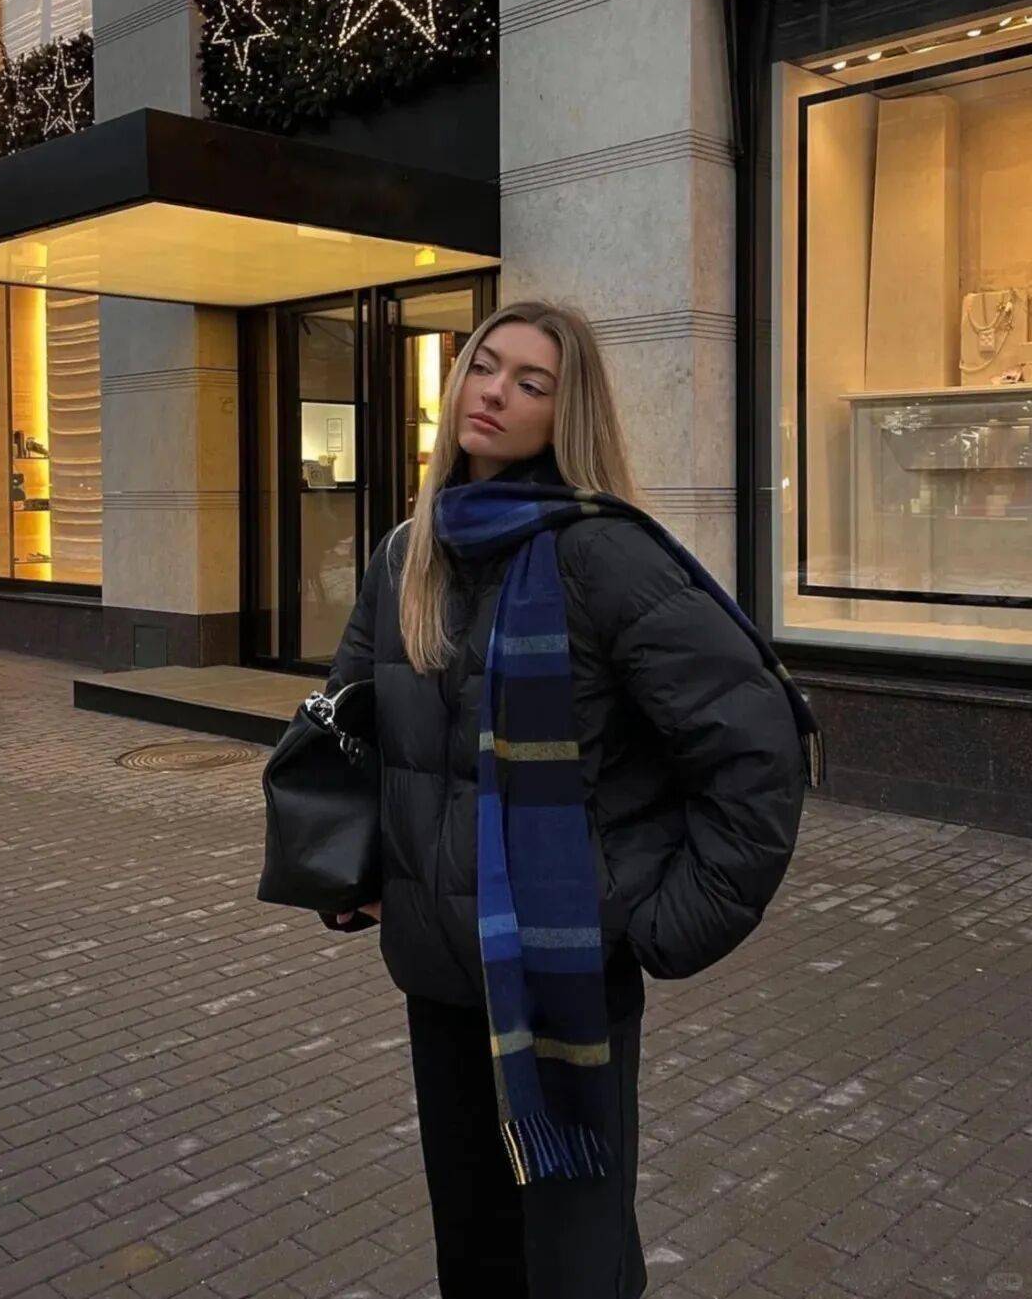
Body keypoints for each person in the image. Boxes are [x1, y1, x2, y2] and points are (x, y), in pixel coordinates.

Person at [323, 299, 815, 1299]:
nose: (494, 391)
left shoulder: (604, 555)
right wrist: (354, 871)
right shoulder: (408, 553)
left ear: (566, 411)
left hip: (562, 977)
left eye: (530, 382)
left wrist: (654, 922)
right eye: (483, 365)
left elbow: (758, 747)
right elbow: (351, 731)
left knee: (574, 1264)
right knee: (475, 1256)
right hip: (439, 976)